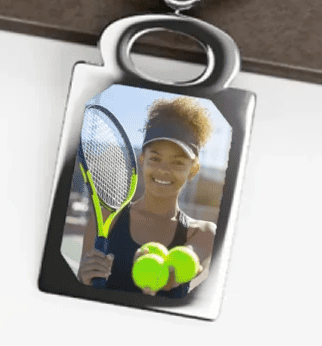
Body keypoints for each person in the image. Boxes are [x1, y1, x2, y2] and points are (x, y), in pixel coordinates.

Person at [76, 96, 217, 298]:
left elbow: (190, 260)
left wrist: (172, 275)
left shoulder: (202, 232)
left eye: (177, 163)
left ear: (193, 170)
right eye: (155, 158)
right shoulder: (106, 218)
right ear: (142, 160)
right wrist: (82, 281)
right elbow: (79, 295)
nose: (163, 170)